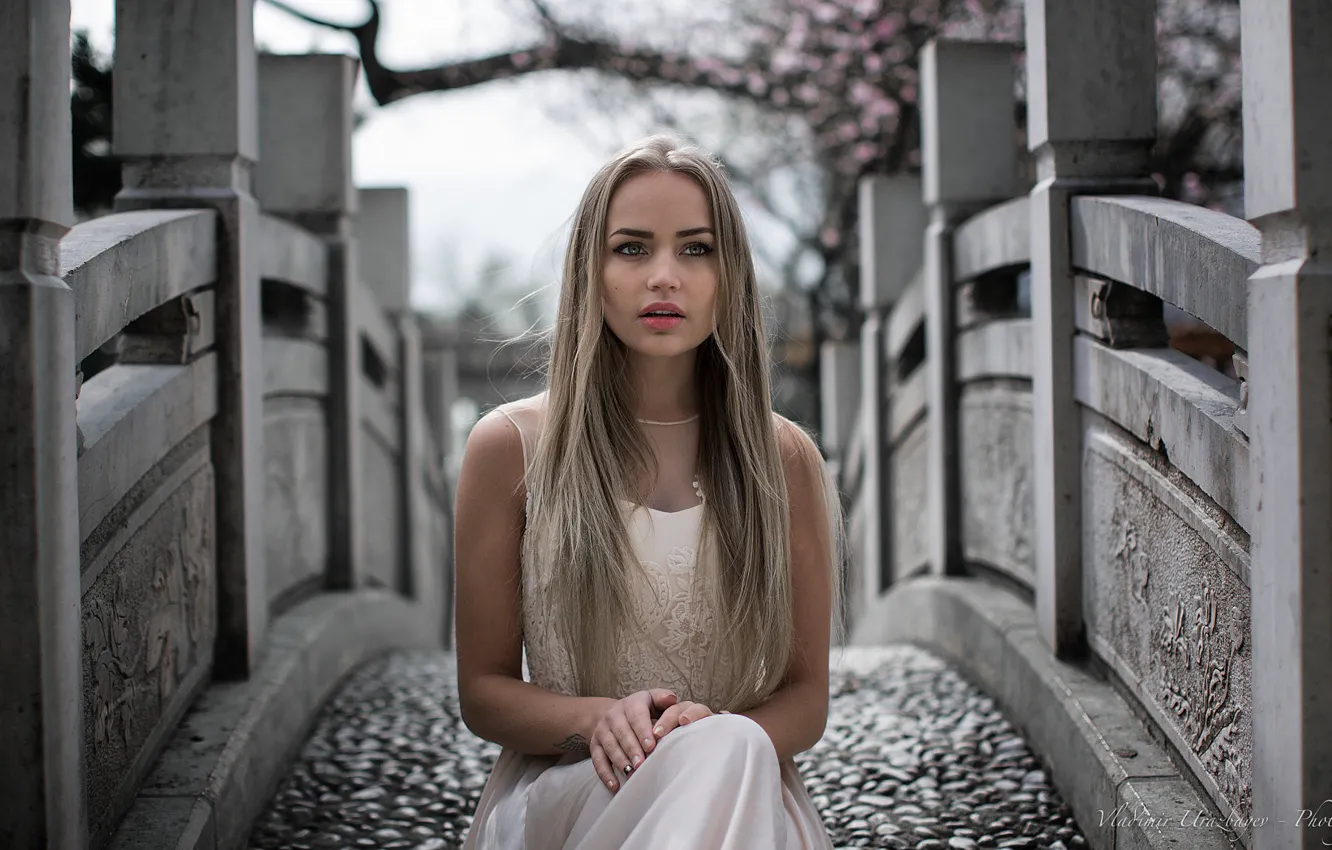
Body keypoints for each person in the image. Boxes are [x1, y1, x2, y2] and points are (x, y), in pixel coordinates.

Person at [453, 132, 842, 850]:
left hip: (740, 784)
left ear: (731, 274)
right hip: (571, 787)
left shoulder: (781, 457)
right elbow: (482, 689)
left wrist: (718, 735)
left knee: (725, 751)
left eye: (696, 249)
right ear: (590, 271)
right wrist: (601, 718)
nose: (665, 276)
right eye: (632, 248)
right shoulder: (510, 448)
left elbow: (806, 699)